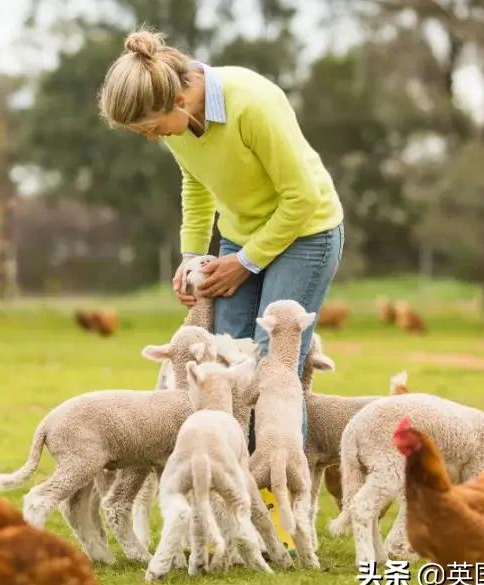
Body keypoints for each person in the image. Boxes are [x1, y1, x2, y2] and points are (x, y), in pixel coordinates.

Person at [98, 28, 344, 438]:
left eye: (154, 129)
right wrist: (192, 256)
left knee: (274, 367)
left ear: (177, 98)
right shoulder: (178, 121)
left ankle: (279, 492)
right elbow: (196, 183)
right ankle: (238, 488)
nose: (155, 138)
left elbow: (301, 198)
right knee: (226, 360)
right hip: (241, 235)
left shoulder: (252, 102)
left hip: (306, 233)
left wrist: (245, 264)